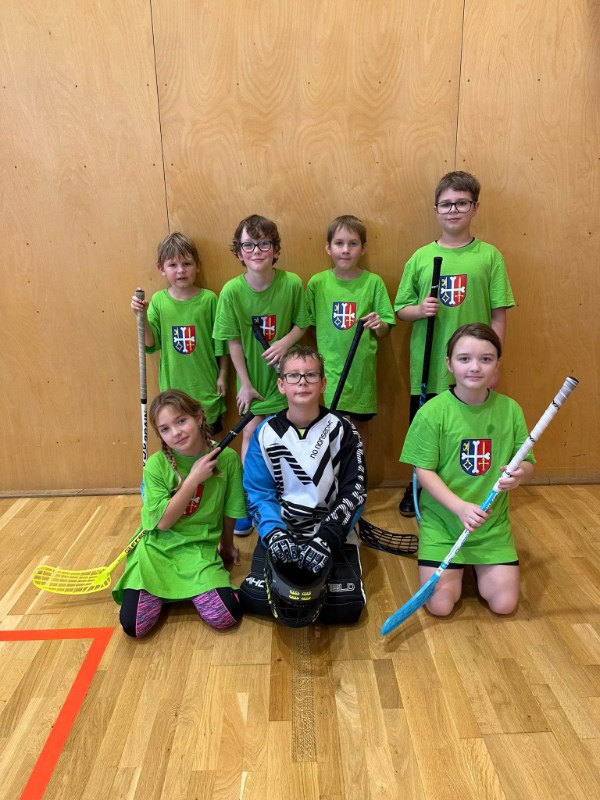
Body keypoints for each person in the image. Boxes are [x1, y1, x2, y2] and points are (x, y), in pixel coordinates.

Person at [394, 171, 515, 516]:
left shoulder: (489, 256)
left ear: (475, 207)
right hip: (430, 363)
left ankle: (460, 490)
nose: (453, 210)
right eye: (446, 204)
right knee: (427, 429)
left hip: (474, 365)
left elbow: (498, 316)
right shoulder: (421, 258)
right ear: (436, 209)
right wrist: (420, 310)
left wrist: (495, 364)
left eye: (461, 203)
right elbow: (400, 309)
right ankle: (418, 485)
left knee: (465, 429)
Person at [400, 323, 534, 617]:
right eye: (464, 359)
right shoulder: (432, 412)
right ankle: (461, 565)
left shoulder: (511, 410)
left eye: (486, 359)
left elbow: (528, 463)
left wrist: (520, 475)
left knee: (504, 604)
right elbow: (423, 471)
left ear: (497, 363)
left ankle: (477, 564)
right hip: (444, 524)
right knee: (440, 606)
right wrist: (459, 507)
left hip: (491, 528)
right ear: (449, 364)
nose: (475, 367)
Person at [238, 345, 367, 626]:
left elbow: (354, 491)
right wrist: (273, 534)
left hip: (330, 530)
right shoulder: (265, 433)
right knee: (253, 599)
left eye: (310, 375)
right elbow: (258, 493)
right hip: (282, 530)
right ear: (281, 385)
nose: (302, 382)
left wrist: (328, 538)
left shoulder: (343, 430)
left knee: (346, 609)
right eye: (294, 376)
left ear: (323, 384)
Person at [113, 390, 246, 637]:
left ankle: (177, 590)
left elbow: (231, 509)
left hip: (198, 551)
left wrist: (227, 546)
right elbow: (162, 523)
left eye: (181, 421)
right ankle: (163, 589)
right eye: (165, 429)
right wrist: (193, 479)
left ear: (199, 417)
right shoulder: (156, 465)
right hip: (156, 551)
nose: (176, 432)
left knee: (226, 615)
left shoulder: (227, 459)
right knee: (134, 626)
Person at [213, 214, 309, 534]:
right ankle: (248, 501)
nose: (256, 251)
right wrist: (244, 383)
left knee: (288, 436)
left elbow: (302, 323)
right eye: (249, 245)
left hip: (284, 380)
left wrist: (284, 342)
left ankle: (287, 498)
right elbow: (232, 340)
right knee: (251, 435)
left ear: (275, 249)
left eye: (264, 244)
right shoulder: (231, 291)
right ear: (239, 252)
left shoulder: (291, 283)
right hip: (253, 381)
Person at [306, 215, 395, 454]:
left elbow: (385, 329)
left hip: (361, 372)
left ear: (363, 248)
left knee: (359, 429)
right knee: (331, 426)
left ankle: (358, 470)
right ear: (328, 247)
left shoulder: (373, 283)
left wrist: (379, 324)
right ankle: (335, 473)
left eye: (353, 243)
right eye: (339, 243)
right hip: (329, 369)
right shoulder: (317, 283)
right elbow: (310, 326)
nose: (346, 250)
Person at [131, 232, 228, 433]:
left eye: (187, 264)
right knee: (179, 441)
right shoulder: (158, 301)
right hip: (173, 392)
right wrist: (141, 316)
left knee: (208, 445)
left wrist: (223, 375)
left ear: (198, 266)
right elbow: (151, 344)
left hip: (205, 388)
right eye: (173, 265)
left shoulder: (209, 299)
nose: (181, 270)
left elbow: (221, 343)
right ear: (161, 269)